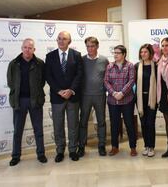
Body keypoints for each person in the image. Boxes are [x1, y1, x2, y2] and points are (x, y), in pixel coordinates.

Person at [7, 38, 47, 166]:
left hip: (35, 100)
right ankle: (15, 156)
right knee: (17, 131)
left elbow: (42, 82)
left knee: (38, 130)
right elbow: (10, 82)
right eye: (25, 47)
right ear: (22, 48)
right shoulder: (13, 64)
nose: (27, 50)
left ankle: (41, 154)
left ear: (34, 49)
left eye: (30, 48)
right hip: (19, 101)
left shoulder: (40, 63)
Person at [45, 31, 83, 162]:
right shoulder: (50, 56)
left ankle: (73, 150)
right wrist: (59, 91)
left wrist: (71, 90)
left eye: (64, 39)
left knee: (73, 125)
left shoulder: (77, 55)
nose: (61, 41)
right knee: (58, 125)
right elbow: (48, 76)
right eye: (59, 39)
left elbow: (79, 75)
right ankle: (60, 150)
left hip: (72, 97)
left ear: (69, 41)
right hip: (57, 98)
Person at [78, 36, 109, 157]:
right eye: (88, 46)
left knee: (101, 121)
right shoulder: (81, 60)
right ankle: (81, 146)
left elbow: (108, 78)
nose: (90, 49)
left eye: (92, 46)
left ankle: (101, 145)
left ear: (97, 46)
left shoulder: (104, 60)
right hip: (85, 95)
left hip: (100, 95)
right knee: (83, 121)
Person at [104, 45, 137, 156]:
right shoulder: (109, 66)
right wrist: (113, 93)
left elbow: (131, 80)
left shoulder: (130, 66)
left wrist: (122, 93)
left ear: (124, 54)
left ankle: (133, 147)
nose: (115, 55)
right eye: (114, 52)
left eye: (118, 53)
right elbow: (106, 81)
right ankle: (114, 147)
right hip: (113, 101)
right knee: (114, 124)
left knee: (129, 124)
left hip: (127, 100)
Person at [135, 44, 158, 157]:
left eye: (145, 52)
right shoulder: (136, 66)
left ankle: (151, 146)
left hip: (152, 98)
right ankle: (146, 146)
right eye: (141, 52)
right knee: (143, 123)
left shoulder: (156, 66)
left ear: (150, 53)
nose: (143, 54)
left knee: (150, 123)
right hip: (140, 99)